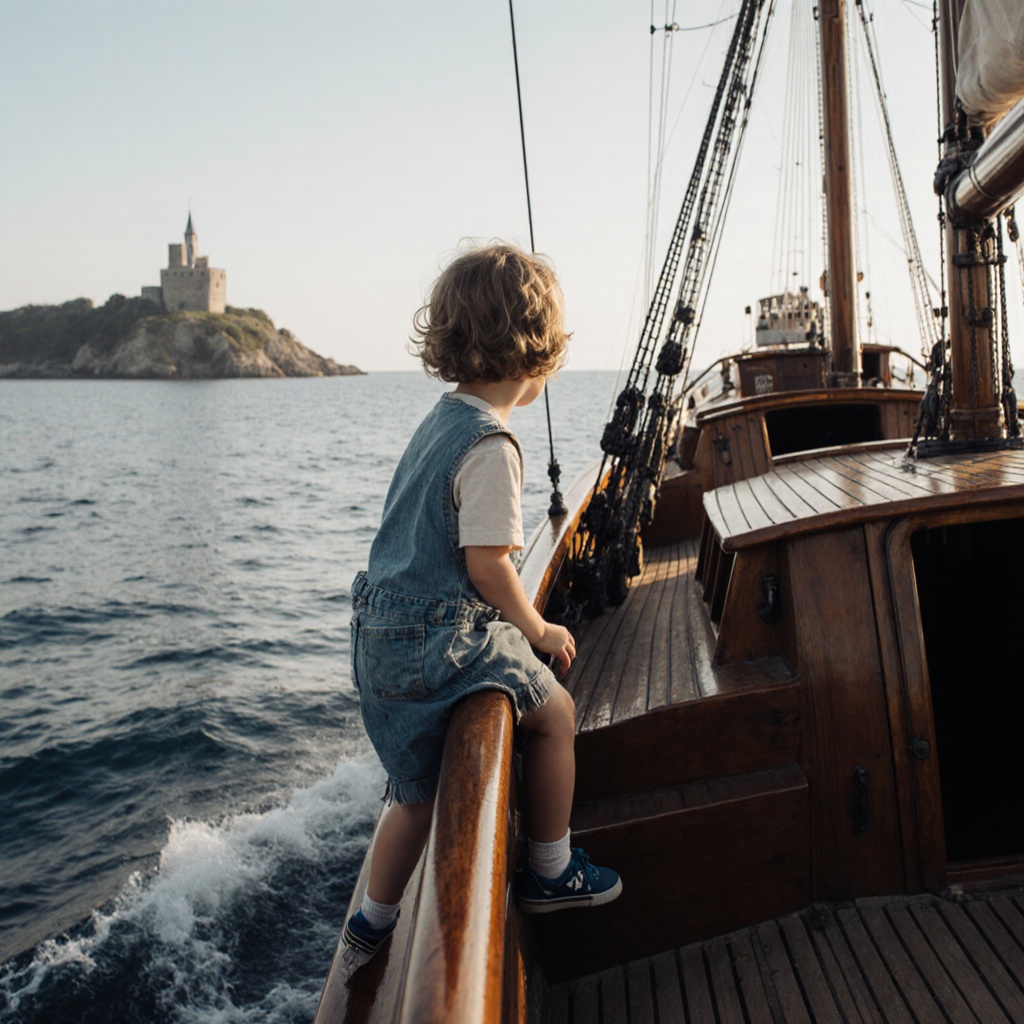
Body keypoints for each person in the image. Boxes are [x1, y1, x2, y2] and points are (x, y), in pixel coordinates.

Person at [340, 242, 621, 974]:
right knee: (555, 712)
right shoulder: (492, 444)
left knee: (414, 795)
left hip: (376, 635)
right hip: (437, 642)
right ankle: (552, 869)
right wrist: (536, 628)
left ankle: (368, 927)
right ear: (539, 357)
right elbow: (487, 564)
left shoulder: (440, 420)